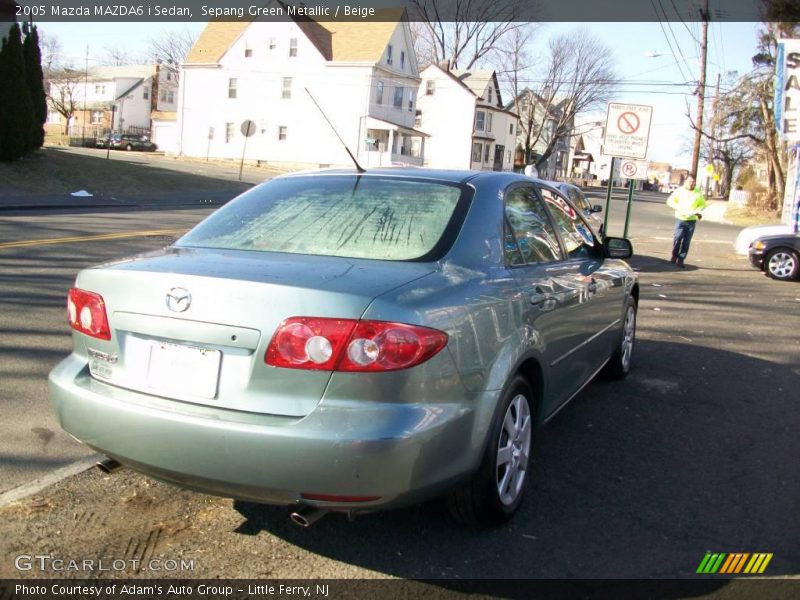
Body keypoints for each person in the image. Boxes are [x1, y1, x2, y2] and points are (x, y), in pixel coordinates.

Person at [666, 175, 707, 268]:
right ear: (685, 182)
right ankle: (674, 255)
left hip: (691, 220)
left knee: (686, 241)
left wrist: (697, 210)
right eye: (689, 181)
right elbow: (670, 201)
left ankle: (681, 259)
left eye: (693, 182)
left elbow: (703, 204)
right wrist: (678, 208)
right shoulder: (679, 191)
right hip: (680, 219)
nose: (691, 183)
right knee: (677, 238)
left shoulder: (697, 193)